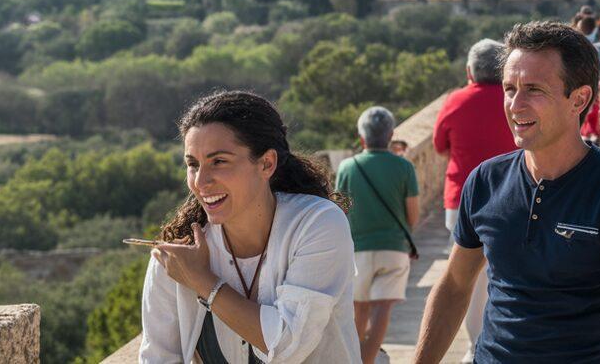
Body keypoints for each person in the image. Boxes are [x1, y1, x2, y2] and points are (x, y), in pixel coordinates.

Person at [414, 21, 600, 364]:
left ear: (579, 99)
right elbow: (455, 287)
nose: (515, 105)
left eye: (534, 89)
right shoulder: (486, 180)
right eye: (509, 88)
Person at [140, 90, 357, 364]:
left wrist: (204, 281)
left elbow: (288, 345)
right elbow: (158, 358)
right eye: (193, 164)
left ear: (266, 163)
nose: (201, 181)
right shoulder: (176, 255)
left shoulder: (317, 223)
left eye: (219, 161)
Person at [432, 38, 518, 356]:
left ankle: (474, 346)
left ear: (470, 71)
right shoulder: (517, 100)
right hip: (513, 198)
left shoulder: (456, 101)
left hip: (460, 199)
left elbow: (440, 145)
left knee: (467, 279)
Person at [334, 106, 420, 364]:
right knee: (382, 308)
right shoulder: (404, 167)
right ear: (391, 134)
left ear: (362, 138)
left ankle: (353, 359)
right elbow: (412, 215)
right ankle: (369, 360)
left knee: (358, 309)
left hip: (357, 249)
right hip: (393, 249)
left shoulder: (347, 167)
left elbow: (340, 209)